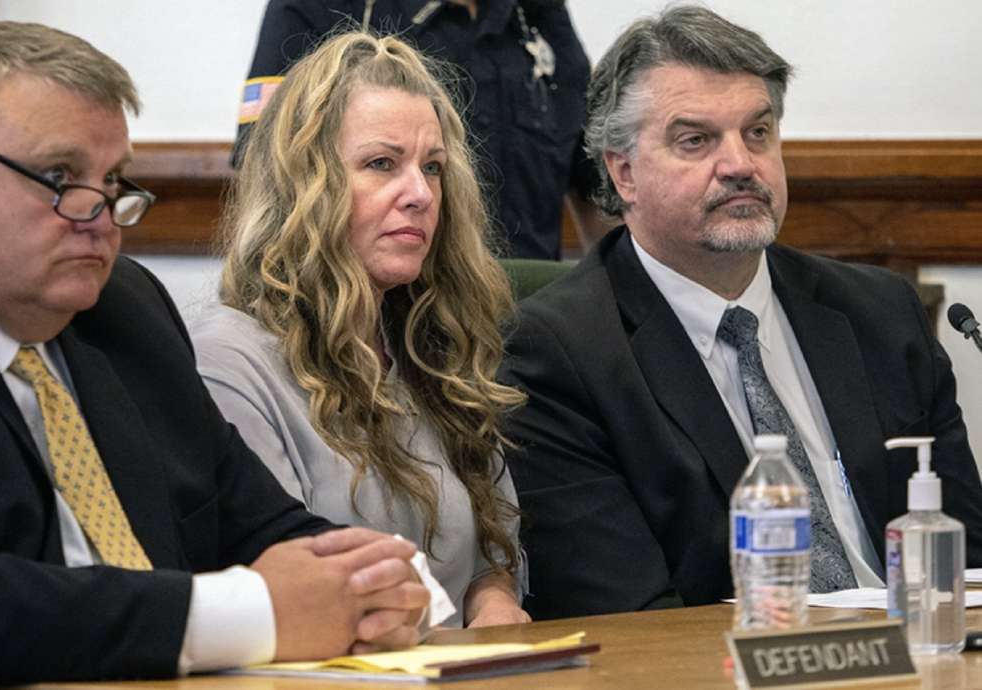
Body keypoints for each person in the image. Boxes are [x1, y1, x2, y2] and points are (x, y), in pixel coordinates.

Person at [0, 22, 430, 689]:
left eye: (113, 181)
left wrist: (378, 584)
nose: (101, 216)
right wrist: (253, 612)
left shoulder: (122, 309)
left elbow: (254, 518)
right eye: (60, 176)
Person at [499, 5, 982, 620]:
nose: (740, 165)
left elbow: (967, 564)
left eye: (758, 133)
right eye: (695, 140)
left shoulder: (880, 314)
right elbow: (628, 617)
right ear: (623, 173)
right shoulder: (558, 352)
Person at [193, 30, 528, 628]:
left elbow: (494, 550)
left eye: (433, 168)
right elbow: (288, 582)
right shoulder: (227, 362)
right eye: (381, 164)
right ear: (304, 186)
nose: (421, 194)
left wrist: (494, 599)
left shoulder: (433, 342)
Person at [235, 0, 608, 258]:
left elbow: (596, 190)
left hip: (531, 330)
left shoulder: (539, 19)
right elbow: (267, 183)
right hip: (378, 324)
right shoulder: (322, 8)